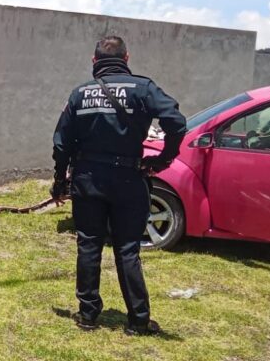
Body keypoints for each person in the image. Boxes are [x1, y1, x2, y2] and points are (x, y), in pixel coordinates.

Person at [51, 35, 186, 336]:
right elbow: (176, 122)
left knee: (89, 244)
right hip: (128, 178)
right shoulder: (143, 88)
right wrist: (162, 160)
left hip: (88, 179)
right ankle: (138, 321)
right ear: (126, 59)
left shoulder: (79, 94)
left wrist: (60, 180)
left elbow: (61, 143)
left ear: (94, 61)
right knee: (127, 248)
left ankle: (88, 315)